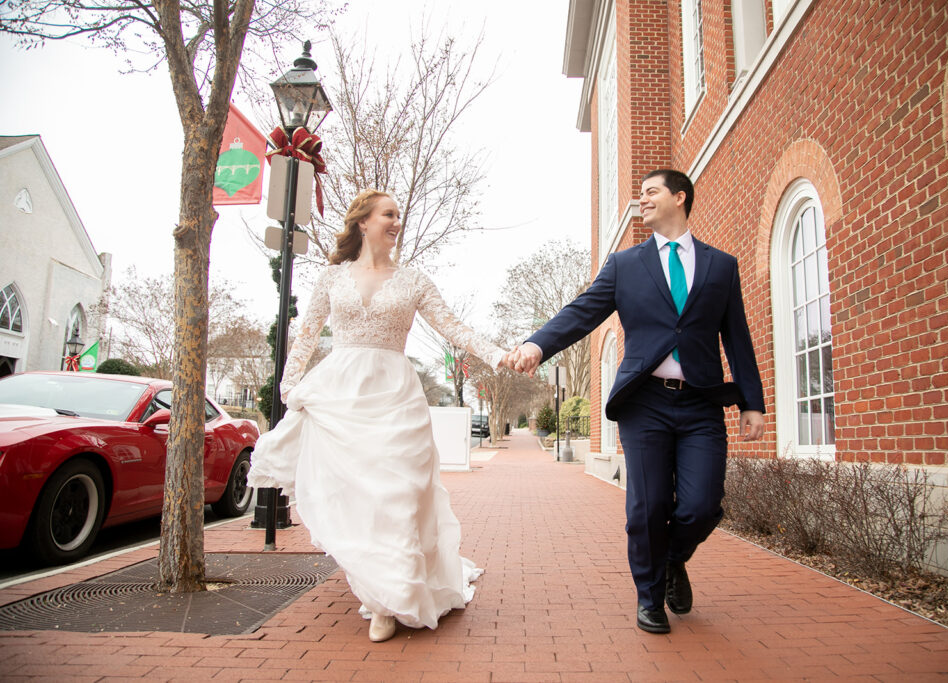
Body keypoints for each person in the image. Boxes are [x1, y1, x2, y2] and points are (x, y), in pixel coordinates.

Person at [509, 169, 765, 634]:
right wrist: (537, 345)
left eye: (651, 192)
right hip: (644, 403)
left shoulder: (721, 266)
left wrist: (753, 401)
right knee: (646, 507)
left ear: (680, 197)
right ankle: (649, 599)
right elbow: (582, 312)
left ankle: (672, 560)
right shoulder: (626, 265)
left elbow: (738, 337)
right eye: (641, 193)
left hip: (701, 403)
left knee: (702, 505)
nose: (641, 200)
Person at [248, 189, 508, 643]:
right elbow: (306, 334)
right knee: (359, 497)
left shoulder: (414, 281)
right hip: (342, 393)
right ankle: (377, 588)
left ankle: (391, 601)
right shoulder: (332, 278)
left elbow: (453, 327)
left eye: (398, 216)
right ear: (363, 222)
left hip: (394, 395)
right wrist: (290, 385)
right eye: (388, 214)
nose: (396, 222)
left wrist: (499, 354)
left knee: (398, 493)